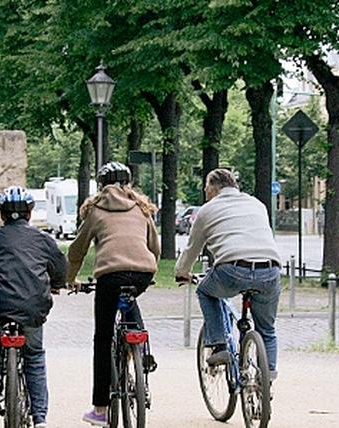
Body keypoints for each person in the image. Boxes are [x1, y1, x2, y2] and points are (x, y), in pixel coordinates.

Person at [0, 186, 67, 428]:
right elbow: (59, 267)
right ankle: (40, 418)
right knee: (34, 357)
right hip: (33, 308)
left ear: (2, 215)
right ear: (30, 214)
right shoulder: (43, 240)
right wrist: (58, 285)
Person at [66, 162, 160, 427]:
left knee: (103, 337)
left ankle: (100, 409)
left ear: (100, 185)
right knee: (129, 297)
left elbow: (77, 251)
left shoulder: (95, 210)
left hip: (110, 276)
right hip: (142, 273)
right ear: (128, 184)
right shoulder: (142, 209)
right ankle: (138, 344)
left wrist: (70, 279)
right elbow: (155, 246)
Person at [174, 169, 282, 376]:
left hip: (232, 270)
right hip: (269, 270)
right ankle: (267, 377)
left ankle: (219, 345)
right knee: (267, 330)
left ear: (214, 188)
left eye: (206, 187)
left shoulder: (206, 211)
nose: (205, 192)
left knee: (206, 291)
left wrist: (182, 272)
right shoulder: (257, 204)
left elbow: (192, 249)